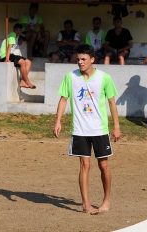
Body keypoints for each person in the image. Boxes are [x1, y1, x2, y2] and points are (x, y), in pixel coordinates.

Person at [54, 44, 121, 214]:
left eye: (84, 59)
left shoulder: (104, 78)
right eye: (78, 59)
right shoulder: (70, 77)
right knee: (85, 165)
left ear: (92, 59)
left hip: (99, 129)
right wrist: (58, 121)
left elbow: (112, 103)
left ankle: (106, 200)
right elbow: (63, 99)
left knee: (103, 165)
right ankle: (86, 204)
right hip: (80, 130)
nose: (80, 62)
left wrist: (116, 127)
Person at [0, 23, 36, 89]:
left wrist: (21, 39)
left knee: (28, 62)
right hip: (5, 55)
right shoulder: (12, 34)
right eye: (17, 30)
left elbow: (23, 38)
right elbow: (9, 47)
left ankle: (22, 81)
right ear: (14, 30)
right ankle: (28, 82)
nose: (19, 32)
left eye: (20, 30)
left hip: (11, 55)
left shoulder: (17, 36)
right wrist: (7, 59)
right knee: (22, 62)